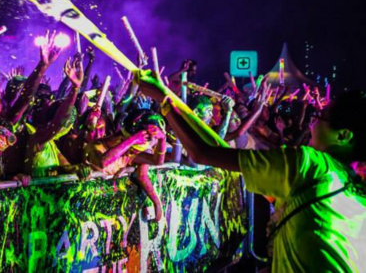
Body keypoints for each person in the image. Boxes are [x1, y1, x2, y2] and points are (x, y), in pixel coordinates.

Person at [135, 69, 366, 272]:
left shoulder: (309, 165)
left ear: (344, 135)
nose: (313, 124)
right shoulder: (354, 186)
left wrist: (164, 99)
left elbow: (203, 153)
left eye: (319, 118)